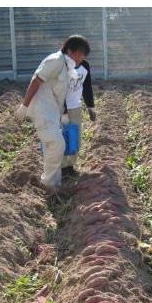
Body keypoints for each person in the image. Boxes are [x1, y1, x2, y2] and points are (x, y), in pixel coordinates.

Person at [15, 35, 91, 189]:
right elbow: (36, 80)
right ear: (69, 50)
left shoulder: (66, 67)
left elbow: (61, 94)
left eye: (84, 55)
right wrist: (24, 106)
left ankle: (53, 183)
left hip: (52, 112)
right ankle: (48, 184)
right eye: (79, 54)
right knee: (57, 144)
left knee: (54, 145)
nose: (81, 58)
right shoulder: (55, 60)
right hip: (42, 110)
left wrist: (63, 114)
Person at [61, 57, 96, 178]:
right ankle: (63, 168)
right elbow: (58, 89)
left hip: (75, 107)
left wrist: (90, 106)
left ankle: (71, 166)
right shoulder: (62, 66)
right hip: (61, 109)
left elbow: (87, 87)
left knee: (74, 138)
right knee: (63, 138)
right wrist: (63, 111)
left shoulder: (85, 66)